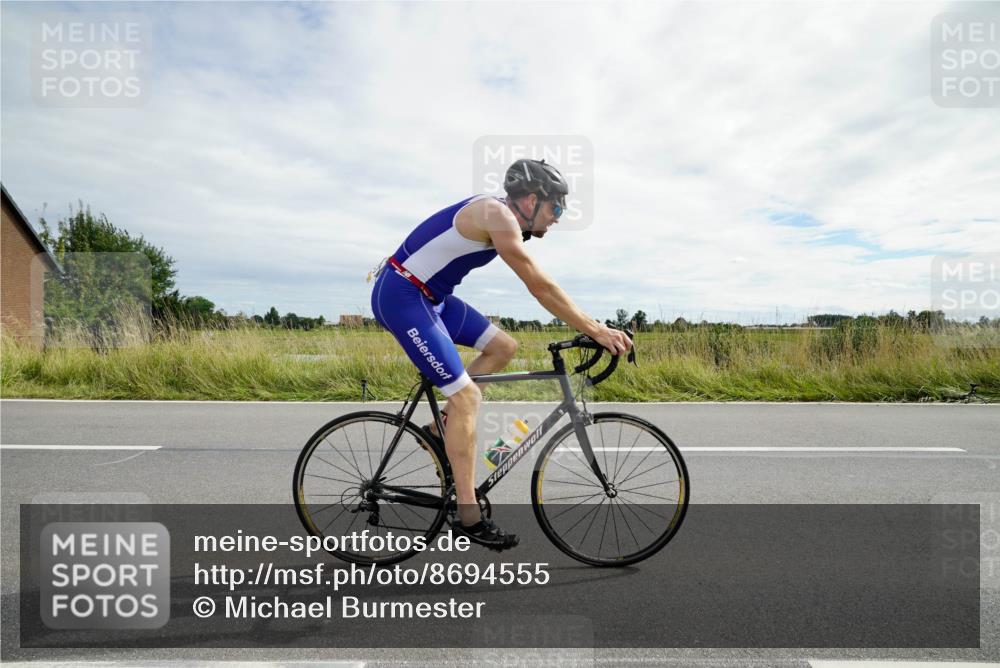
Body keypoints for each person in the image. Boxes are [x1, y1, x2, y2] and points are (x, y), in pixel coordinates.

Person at [370, 159, 632, 550]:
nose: (558, 218)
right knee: (467, 397)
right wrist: (594, 329)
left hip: (433, 299)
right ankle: (468, 514)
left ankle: (438, 431)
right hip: (402, 295)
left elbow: (541, 286)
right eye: (556, 208)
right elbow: (539, 286)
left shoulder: (503, 216)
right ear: (530, 200)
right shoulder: (498, 216)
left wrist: (591, 327)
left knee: (503, 347)